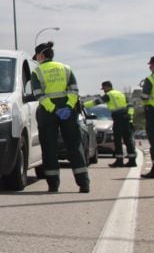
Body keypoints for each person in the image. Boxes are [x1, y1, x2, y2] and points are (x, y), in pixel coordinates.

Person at [29, 42, 90, 193]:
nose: (36, 59)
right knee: (74, 146)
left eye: (37, 56)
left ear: (41, 55)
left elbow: (39, 95)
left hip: (48, 113)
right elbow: (74, 90)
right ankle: (84, 184)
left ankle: (53, 185)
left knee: (49, 147)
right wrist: (68, 107)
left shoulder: (37, 72)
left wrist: (54, 109)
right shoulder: (66, 68)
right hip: (68, 112)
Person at [86, 80, 136, 167]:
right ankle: (132, 161)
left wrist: (83, 104)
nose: (103, 90)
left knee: (117, 139)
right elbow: (130, 105)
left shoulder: (109, 95)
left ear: (106, 87)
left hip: (118, 118)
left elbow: (96, 102)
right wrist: (130, 118)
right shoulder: (121, 94)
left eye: (104, 88)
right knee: (128, 140)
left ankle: (119, 161)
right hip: (126, 117)